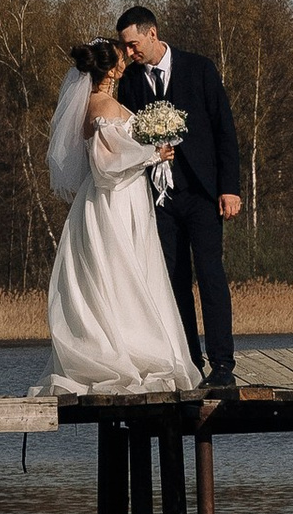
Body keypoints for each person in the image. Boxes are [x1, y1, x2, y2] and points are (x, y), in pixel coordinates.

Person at [46, 36, 200, 396]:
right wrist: (152, 154)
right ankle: (130, 350)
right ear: (112, 68)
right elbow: (104, 166)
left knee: (124, 270)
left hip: (124, 197)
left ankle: (132, 344)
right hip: (113, 200)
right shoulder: (101, 107)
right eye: (120, 58)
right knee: (120, 270)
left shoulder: (103, 103)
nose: (126, 62)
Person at [114, 4, 242, 390]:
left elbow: (225, 130)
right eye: (125, 48)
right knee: (173, 279)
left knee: (210, 274)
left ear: (152, 34)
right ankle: (189, 359)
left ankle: (222, 364)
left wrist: (229, 187)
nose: (130, 54)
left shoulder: (200, 68)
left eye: (133, 45)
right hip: (160, 197)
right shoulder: (132, 82)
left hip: (202, 192)